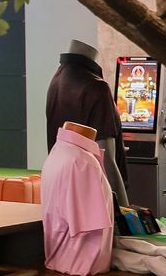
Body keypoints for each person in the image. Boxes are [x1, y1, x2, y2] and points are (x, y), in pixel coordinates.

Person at [45, 39, 130, 207]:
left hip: (61, 191)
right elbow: (107, 160)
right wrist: (126, 212)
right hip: (95, 199)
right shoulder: (97, 87)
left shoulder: (55, 82)